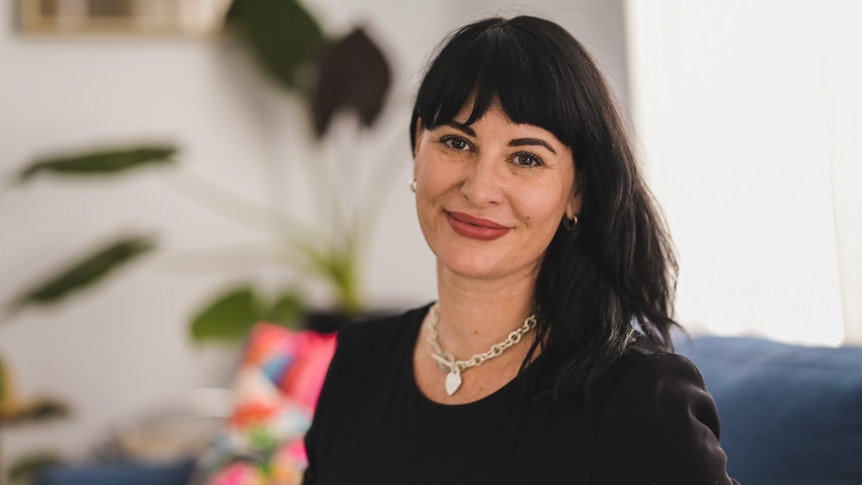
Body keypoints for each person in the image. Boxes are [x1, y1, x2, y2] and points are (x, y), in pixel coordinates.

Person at [303, 15, 739, 484]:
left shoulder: (639, 397)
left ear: (577, 192)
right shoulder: (359, 360)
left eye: (526, 158)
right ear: (417, 146)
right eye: (456, 142)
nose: (480, 188)